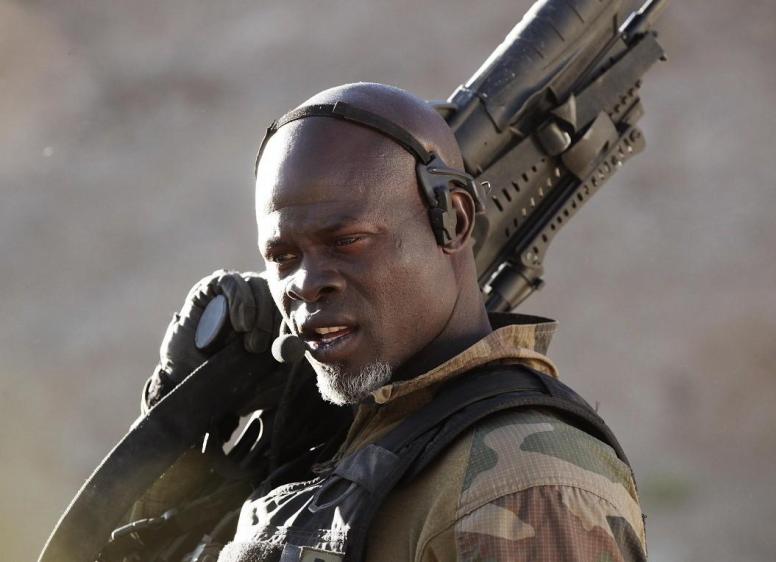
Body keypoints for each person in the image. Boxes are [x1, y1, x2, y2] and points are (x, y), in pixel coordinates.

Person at [144, 82, 647, 562]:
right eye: (283, 257)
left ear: (455, 220)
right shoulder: (342, 449)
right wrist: (175, 419)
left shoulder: (522, 485)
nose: (306, 284)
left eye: (346, 241)